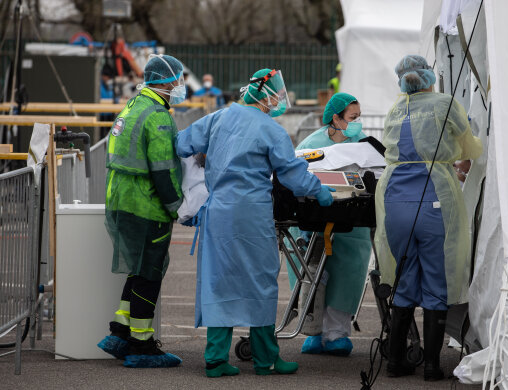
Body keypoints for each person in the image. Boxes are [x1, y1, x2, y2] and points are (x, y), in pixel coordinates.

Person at [175, 68, 335, 378]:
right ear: (266, 95)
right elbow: (293, 175)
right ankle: (267, 359)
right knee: (260, 280)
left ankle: (216, 359)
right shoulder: (271, 130)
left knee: (219, 280)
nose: (278, 101)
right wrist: (322, 192)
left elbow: (182, 144)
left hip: (219, 211)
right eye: (276, 95)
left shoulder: (218, 118)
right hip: (251, 213)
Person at [374, 55, 482, 380]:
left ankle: (395, 361)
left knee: (404, 277)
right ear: (429, 78)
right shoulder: (444, 103)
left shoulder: (395, 109)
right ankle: (433, 367)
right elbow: (471, 148)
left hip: (393, 197)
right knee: (437, 278)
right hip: (434, 194)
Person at [97, 54, 187, 368]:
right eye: (177, 79)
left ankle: (119, 332)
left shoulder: (133, 107)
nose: (180, 85)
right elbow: (162, 171)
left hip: (122, 200)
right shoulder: (158, 117)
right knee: (149, 273)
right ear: (165, 81)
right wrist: (178, 207)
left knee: (136, 269)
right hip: (147, 205)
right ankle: (142, 345)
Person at [286, 92, 371, 357]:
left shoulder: (362, 144)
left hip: (352, 223)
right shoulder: (312, 144)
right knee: (313, 274)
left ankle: (338, 332)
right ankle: (314, 330)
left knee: (348, 274)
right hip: (313, 222)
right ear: (335, 117)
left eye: (358, 117)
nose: (357, 123)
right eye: (352, 118)